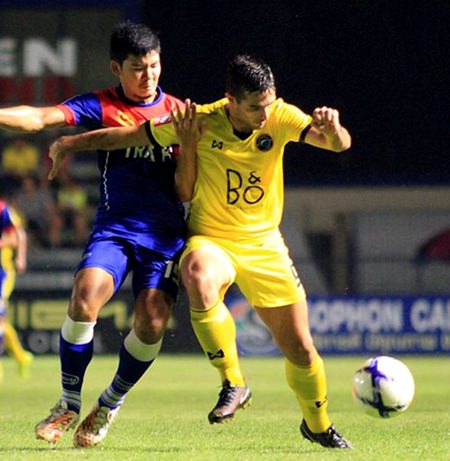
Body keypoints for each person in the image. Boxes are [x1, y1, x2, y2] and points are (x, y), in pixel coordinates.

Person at [46, 54, 352, 449]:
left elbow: (336, 145)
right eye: (254, 106)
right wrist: (70, 143)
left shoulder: (281, 115)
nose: (265, 113)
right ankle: (234, 382)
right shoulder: (200, 121)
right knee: (196, 273)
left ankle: (318, 424)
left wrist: (335, 130)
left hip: (265, 245)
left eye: (269, 102)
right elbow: (128, 136)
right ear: (230, 100)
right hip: (212, 239)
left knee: (301, 349)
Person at [0, 20, 188, 448]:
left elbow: (191, 182)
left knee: (153, 322)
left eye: (154, 66)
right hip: (115, 228)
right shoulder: (100, 105)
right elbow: (42, 118)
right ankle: (67, 402)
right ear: (115, 69)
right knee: (84, 297)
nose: (148, 76)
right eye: (138, 68)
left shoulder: (179, 113)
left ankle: (109, 403)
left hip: (163, 236)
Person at [0, 199, 32, 381]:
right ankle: (21, 357)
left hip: (1, 272)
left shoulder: (2, 209)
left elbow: (15, 236)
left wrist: (20, 257)